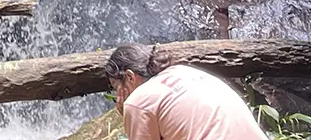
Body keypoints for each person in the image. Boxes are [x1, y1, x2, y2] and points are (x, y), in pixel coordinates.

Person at [106, 43, 268, 140]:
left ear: (130, 77)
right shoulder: (183, 71)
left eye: (116, 87)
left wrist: (130, 114)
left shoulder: (138, 101)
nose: (117, 96)